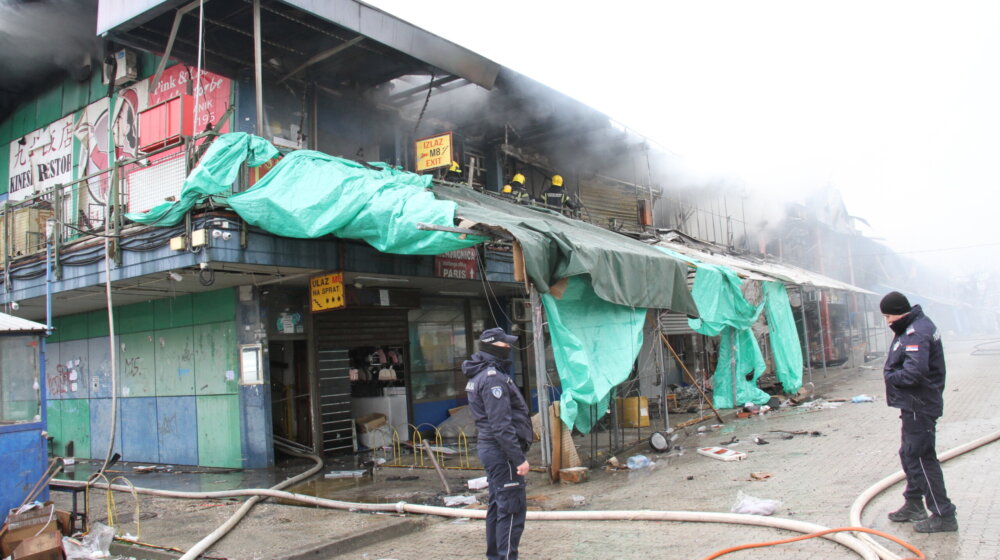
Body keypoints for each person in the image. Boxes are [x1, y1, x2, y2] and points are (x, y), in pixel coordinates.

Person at [880, 291, 958, 533]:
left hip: (919, 404)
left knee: (921, 457)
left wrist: (890, 376)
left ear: (897, 312)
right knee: (909, 453)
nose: (887, 321)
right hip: (915, 404)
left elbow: (914, 372)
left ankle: (943, 514)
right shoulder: (915, 325)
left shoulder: (916, 332)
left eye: (888, 315)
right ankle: (913, 503)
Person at [463, 327, 533, 559]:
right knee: (512, 510)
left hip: (492, 449)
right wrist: (518, 459)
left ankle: (496, 556)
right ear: (493, 346)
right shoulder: (493, 379)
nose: (509, 349)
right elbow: (501, 425)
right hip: (501, 452)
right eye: (505, 345)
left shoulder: (481, 374)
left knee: (498, 506)